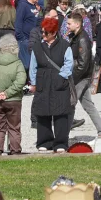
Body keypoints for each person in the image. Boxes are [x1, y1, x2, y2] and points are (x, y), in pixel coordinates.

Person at [29, 17, 73, 152]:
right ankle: (44, 141)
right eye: (42, 32)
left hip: (59, 82)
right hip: (43, 81)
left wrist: (61, 77)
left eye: (46, 32)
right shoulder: (37, 46)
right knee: (42, 112)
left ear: (54, 33)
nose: (43, 35)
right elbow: (33, 66)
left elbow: (69, 63)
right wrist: (34, 82)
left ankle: (60, 143)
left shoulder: (65, 45)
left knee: (60, 113)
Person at [67, 14, 101, 136]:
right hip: (81, 76)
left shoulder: (82, 39)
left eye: (69, 23)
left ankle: (62, 136)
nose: (67, 26)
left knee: (69, 104)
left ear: (77, 24)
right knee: (88, 105)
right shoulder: (75, 37)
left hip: (81, 77)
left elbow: (83, 64)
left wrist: (72, 80)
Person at [14, 0, 41, 67]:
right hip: (25, 41)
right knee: (26, 66)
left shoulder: (34, 5)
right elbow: (18, 24)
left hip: (34, 40)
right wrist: (23, 39)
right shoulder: (23, 5)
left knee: (33, 66)